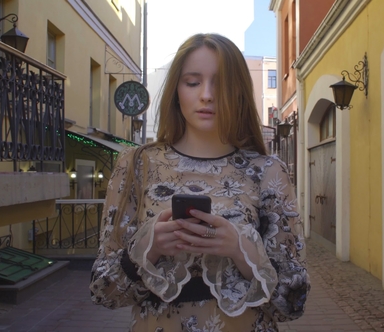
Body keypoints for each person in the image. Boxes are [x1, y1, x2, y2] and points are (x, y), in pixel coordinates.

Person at [89, 33, 309, 332]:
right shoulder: (136, 166)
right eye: (193, 82)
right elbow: (104, 291)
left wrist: (241, 250)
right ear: (176, 90)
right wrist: (148, 249)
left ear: (240, 92)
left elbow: (293, 302)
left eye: (221, 84)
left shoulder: (268, 171)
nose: (206, 94)